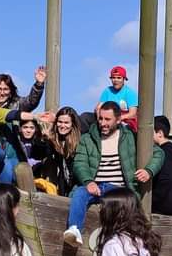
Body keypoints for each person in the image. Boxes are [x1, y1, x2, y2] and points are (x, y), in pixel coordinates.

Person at [62, 101, 163, 248]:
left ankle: (136, 241)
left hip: (118, 188)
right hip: (95, 185)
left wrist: (149, 170)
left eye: (107, 119)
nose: (103, 123)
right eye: (101, 118)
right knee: (79, 193)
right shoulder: (87, 139)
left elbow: (159, 153)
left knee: (128, 203)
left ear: (118, 119)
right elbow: (80, 163)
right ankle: (74, 229)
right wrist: (88, 181)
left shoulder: (130, 137)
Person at [0, 68, 47, 183]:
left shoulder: (16, 104)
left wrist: (39, 84)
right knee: (4, 171)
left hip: (13, 154)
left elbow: (31, 101)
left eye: (5, 89)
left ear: (10, 91)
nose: (2, 92)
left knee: (20, 174)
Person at [40, 106, 81, 196]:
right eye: (60, 122)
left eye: (66, 123)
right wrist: (45, 140)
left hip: (77, 184)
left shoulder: (79, 143)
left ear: (73, 124)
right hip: (64, 182)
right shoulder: (56, 140)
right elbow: (40, 154)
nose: (62, 126)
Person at [151, 116, 172, 216]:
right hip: (171, 201)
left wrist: (153, 199)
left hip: (162, 204)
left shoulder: (165, 151)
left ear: (159, 133)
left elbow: (166, 178)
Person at [96, 66, 138, 132]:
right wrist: (100, 120)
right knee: (86, 117)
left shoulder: (130, 93)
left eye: (119, 78)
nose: (115, 80)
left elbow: (132, 114)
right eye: (113, 78)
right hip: (105, 118)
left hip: (123, 120)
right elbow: (98, 108)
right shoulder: (107, 91)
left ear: (124, 79)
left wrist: (116, 119)